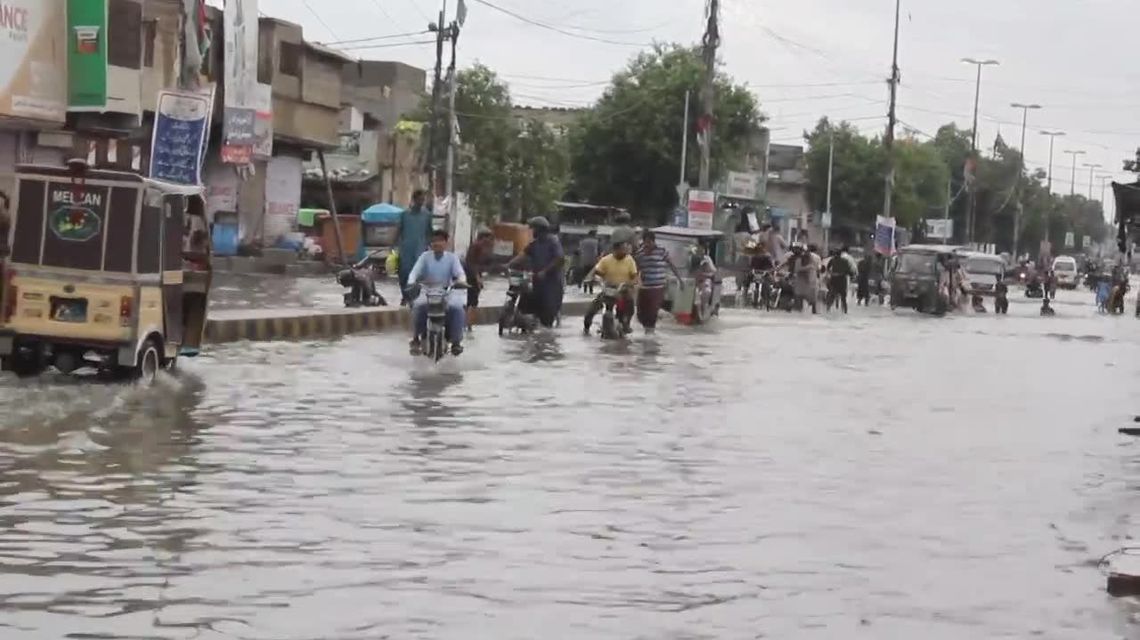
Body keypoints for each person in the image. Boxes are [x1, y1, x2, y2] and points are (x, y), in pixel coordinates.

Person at [407, 229, 467, 355]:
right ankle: (415, 338)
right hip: (427, 291)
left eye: (440, 240)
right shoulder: (425, 257)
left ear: (446, 243)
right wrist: (412, 281)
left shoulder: (452, 258)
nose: (437, 243)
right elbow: (414, 272)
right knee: (419, 306)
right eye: (434, 241)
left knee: (457, 308)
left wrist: (461, 281)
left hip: (447, 292)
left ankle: (456, 342)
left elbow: (460, 273)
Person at [509, 216, 564, 328]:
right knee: (526, 302)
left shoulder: (553, 241)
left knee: (546, 316)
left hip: (551, 284)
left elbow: (559, 259)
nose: (532, 231)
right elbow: (522, 256)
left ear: (540, 229)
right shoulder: (535, 244)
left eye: (533, 229)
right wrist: (508, 265)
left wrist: (544, 271)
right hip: (537, 282)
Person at [584, 240, 639, 334]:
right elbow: (596, 271)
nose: (624, 252)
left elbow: (634, 276)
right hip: (608, 289)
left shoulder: (629, 260)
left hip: (623, 289)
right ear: (615, 250)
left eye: (625, 249)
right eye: (622, 249)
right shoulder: (606, 260)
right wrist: (591, 278)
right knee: (592, 309)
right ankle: (586, 327)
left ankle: (626, 324)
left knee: (629, 304)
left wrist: (631, 283)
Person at [634, 230, 681, 333]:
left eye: (649, 242)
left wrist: (679, 279)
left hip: (658, 287)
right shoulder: (639, 254)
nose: (647, 245)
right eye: (645, 242)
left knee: (652, 311)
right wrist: (634, 282)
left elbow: (671, 265)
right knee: (640, 313)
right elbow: (636, 270)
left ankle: (650, 333)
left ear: (653, 241)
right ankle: (647, 330)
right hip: (644, 287)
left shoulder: (661, 251)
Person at [395, 189, 433, 306]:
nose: (421, 202)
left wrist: (430, 247)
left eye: (423, 200)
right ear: (414, 200)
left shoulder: (427, 215)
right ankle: (405, 296)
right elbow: (399, 231)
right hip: (406, 250)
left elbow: (429, 232)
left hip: (420, 250)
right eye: (420, 200)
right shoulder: (405, 214)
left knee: (418, 275)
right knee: (403, 274)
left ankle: (413, 298)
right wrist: (394, 247)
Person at [462, 229, 494, 332]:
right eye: (488, 238)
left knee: (470, 301)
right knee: (472, 302)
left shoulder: (479, 247)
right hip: (471, 277)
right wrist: (478, 278)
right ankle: (468, 325)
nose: (490, 241)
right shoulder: (476, 247)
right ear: (483, 238)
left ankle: (466, 324)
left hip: (471, 276)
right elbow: (472, 264)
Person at [826, 247, 855, 313]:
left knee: (832, 295)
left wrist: (832, 274)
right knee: (843, 297)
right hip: (842, 280)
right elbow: (849, 271)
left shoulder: (832, 260)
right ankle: (845, 311)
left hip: (834, 280)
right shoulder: (845, 261)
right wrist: (852, 276)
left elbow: (827, 268)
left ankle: (828, 309)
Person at [577, 229, 600, 294]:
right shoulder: (596, 242)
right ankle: (590, 290)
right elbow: (596, 252)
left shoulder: (582, 242)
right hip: (592, 260)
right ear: (593, 234)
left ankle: (584, 289)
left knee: (584, 274)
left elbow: (579, 251)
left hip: (584, 260)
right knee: (591, 275)